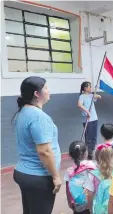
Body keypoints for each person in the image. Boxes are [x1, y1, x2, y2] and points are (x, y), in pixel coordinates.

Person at [12, 76, 62, 214]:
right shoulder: (38, 117)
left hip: (25, 173)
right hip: (38, 177)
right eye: (46, 87)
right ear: (37, 93)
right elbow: (44, 151)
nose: (49, 90)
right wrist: (56, 176)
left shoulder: (22, 112)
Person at [83, 143, 113, 213]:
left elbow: (89, 195)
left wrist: (90, 207)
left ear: (96, 158)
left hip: (99, 209)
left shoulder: (92, 175)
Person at [64, 141, 95, 214]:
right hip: (92, 202)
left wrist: (70, 202)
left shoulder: (69, 171)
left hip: (78, 204)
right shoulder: (92, 165)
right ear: (85, 152)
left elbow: (68, 189)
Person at [78, 81, 102, 160]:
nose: (90, 88)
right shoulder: (82, 96)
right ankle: (87, 152)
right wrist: (87, 112)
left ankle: (91, 151)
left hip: (95, 118)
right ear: (85, 88)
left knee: (94, 136)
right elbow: (79, 105)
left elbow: (99, 96)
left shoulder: (91, 95)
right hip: (87, 119)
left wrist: (94, 92)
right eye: (89, 87)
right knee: (88, 137)